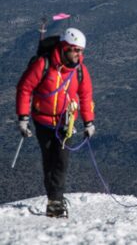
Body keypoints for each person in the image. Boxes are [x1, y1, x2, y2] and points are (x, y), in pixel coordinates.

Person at [16, 28, 95, 217]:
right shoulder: (44, 65)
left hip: (65, 124)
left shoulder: (80, 71)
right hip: (42, 121)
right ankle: (54, 198)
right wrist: (23, 118)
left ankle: (55, 200)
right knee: (49, 160)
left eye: (81, 51)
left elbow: (86, 96)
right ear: (65, 47)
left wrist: (89, 122)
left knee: (61, 161)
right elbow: (25, 88)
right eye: (75, 50)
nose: (79, 54)